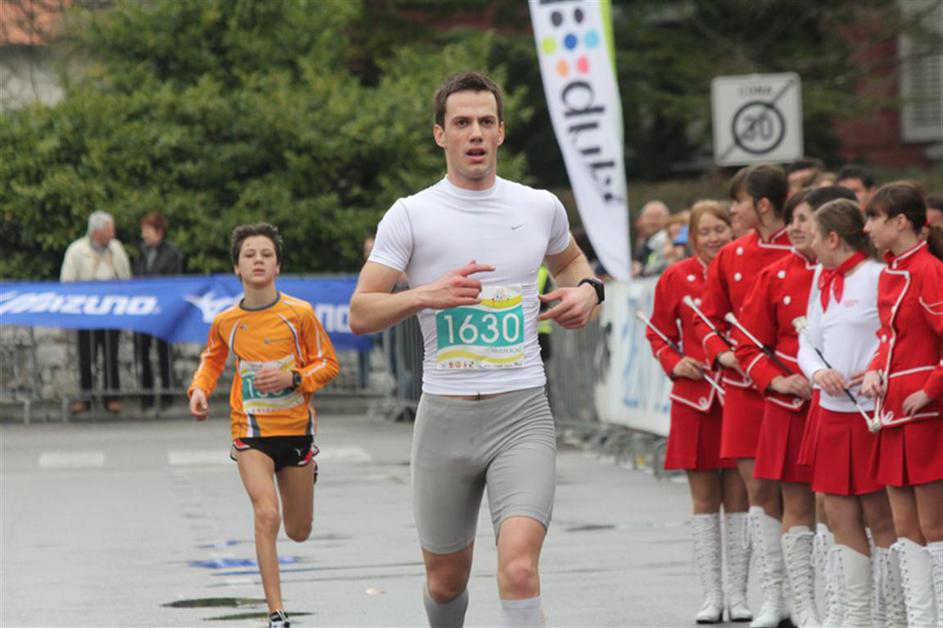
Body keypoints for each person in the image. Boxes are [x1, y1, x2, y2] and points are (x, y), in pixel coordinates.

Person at [348, 71, 602, 628]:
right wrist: (424, 295)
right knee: (446, 583)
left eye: (486, 121)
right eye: (462, 123)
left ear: (502, 132)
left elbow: (573, 263)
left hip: (522, 413)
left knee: (519, 570)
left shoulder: (538, 206)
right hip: (445, 418)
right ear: (441, 134)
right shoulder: (411, 214)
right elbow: (360, 312)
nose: (476, 133)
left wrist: (589, 292)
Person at [188, 223, 340, 628]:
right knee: (266, 513)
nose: (258, 260)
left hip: (295, 430)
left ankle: (307, 473)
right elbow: (212, 359)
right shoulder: (227, 321)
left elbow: (329, 364)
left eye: (266, 254)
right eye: (249, 254)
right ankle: (276, 613)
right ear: (236, 267)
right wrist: (199, 389)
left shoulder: (299, 314)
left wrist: (294, 378)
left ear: (278, 266)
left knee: (298, 530)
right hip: (251, 432)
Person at [691, 163, 792, 628]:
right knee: (759, 491)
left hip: (796, 388)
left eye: (738, 202)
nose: (732, 210)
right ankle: (773, 596)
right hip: (744, 389)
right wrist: (723, 354)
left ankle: (807, 596)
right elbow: (707, 321)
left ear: (763, 205)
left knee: (805, 497)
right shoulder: (731, 255)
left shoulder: (802, 249)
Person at [645, 201, 752, 624]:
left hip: (740, 393)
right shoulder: (675, 276)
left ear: (732, 230)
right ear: (691, 237)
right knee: (705, 500)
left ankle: (739, 595)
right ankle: (712, 595)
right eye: (704, 232)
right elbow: (657, 333)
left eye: (719, 229)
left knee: (740, 497)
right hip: (694, 399)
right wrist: (675, 363)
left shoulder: (745, 270)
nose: (713, 238)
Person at [798, 198, 901, 627]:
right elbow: (807, 342)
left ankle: (893, 616)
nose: (809, 244)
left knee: (881, 518)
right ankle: (856, 618)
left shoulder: (879, 275)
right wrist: (818, 372)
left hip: (870, 412)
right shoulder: (821, 277)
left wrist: (875, 368)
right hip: (831, 411)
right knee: (839, 516)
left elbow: (894, 334)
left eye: (813, 236)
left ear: (833, 238)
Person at [733, 189, 822, 627]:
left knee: (850, 511)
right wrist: (777, 380)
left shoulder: (862, 274)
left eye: (806, 219)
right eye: (794, 219)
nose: (796, 228)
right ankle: (797, 604)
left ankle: (847, 606)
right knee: (793, 502)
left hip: (844, 404)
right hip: (790, 404)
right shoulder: (776, 274)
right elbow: (747, 344)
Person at [861, 182, 943, 627]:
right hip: (892, 410)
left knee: (935, 527)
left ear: (901, 222)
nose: (866, 227)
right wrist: (875, 370)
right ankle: (920, 619)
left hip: (925, 412)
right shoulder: (889, 272)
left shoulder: (929, 270)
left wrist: (931, 389)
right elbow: (887, 337)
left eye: (874, 218)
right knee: (904, 529)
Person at [60, 210, 132, 414]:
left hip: (112, 310)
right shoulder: (76, 250)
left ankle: (112, 397)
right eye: (109, 230)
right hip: (87, 312)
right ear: (96, 232)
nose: (112, 234)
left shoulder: (116, 249)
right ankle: (86, 397)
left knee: (111, 354)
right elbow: (67, 280)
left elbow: (126, 276)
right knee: (86, 356)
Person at [133, 211, 183, 409]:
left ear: (159, 231)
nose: (144, 234)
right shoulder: (141, 253)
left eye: (147, 230)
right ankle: (146, 396)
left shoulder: (172, 253)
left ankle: (167, 394)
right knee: (142, 352)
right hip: (144, 311)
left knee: (164, 353)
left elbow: (175, 280)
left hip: (164, 311)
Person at [632, 200, 671, 277]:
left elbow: (662, 264)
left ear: (667, 218)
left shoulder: (665, 239)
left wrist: (641, 269)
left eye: (658, 217)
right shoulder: (646, 240)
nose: (653, 221)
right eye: (649, 217)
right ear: (642, 219)